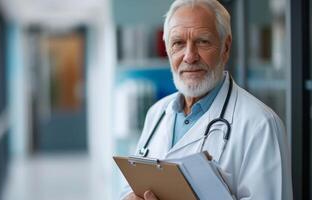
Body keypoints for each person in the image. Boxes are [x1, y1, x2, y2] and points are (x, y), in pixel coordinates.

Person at [120, 0, 293, 199]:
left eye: (202, 41)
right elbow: (129, 187)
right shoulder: (157, 113)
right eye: (178, 43)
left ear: (225, 48)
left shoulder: (260, 125)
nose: (190, 56)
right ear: (168, 50)